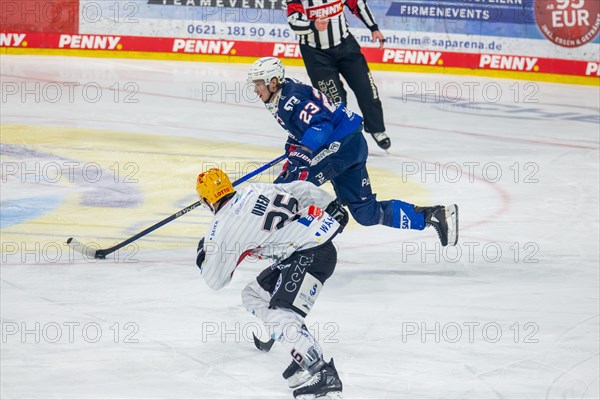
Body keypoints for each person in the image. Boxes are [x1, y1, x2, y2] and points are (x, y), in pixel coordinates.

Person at [248, 57, 459, 247]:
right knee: (366, 212)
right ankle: (434, 216)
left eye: (258, 84)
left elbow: (321, 125)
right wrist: (294, 150)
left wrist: (304, 151)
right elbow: (300, 129)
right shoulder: (283, 96)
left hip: (340, 146)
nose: (256, 90)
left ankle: (272, 242)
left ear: (273, 82)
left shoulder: (289, 101)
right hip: (351, 144)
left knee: (287, 188)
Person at [195, 167, 349, 399]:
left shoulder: (222, 227)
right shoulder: (254, 189)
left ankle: (321, 371)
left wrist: (203, 255)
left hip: (307, 254)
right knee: (254, 295)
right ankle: (302, 349)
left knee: (280, 312)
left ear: (207, 200)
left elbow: (215, 280)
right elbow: (302, 189)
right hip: (311, 251)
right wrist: (329, 206)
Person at [285, 0, 391, 150]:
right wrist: (312, 25)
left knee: (366, 89)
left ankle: (377, 128)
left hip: (345, 46)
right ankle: (341, 138)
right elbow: (294, 21)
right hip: (316, 54)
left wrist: (373, 27)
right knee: (335, 100)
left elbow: (358, 5)